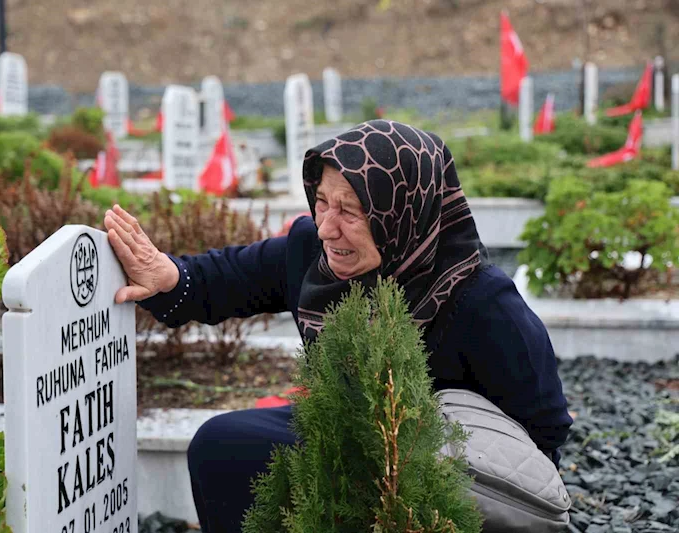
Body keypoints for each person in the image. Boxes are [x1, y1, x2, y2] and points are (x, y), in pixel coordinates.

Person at [104, 119, 573, 533]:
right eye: (322, 202)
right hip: (347, 432)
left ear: (403, 213)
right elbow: (227, 277)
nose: (328, 226)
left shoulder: (481, 301)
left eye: (351, 210)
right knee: (223, 447)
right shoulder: (313, 254)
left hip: (447, 474)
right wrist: (170, 278)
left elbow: (544, 430)